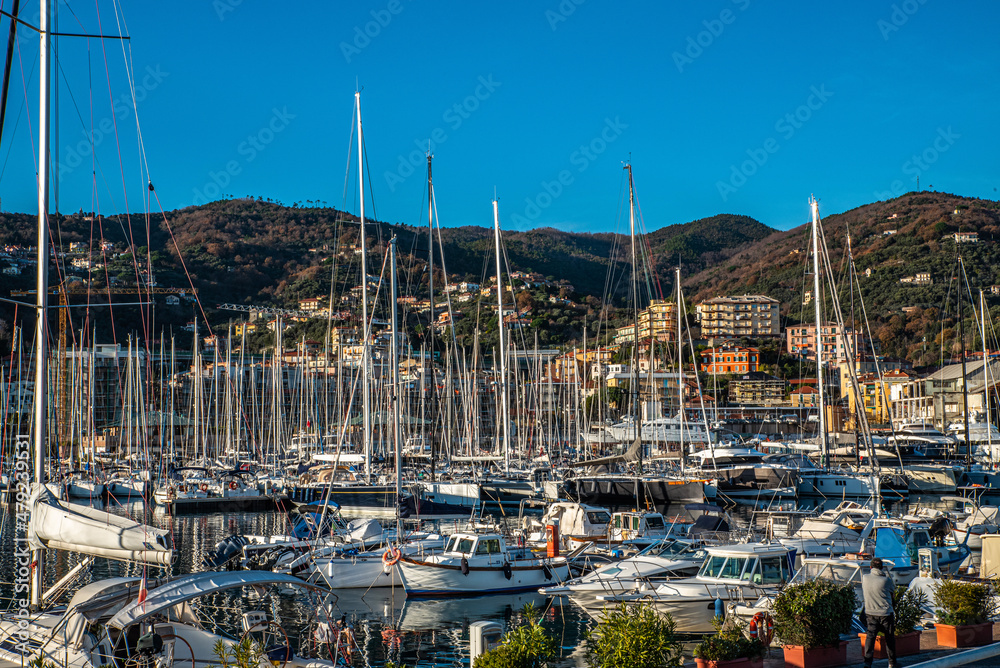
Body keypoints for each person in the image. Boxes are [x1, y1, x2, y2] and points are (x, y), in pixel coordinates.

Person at [862, 557, 898, 668]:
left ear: (870, 567)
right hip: (886, 613)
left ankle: (867, 663)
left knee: (870, 638)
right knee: (889, 638)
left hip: (870, 613)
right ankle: (891, 663)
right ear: (882, 567)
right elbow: (893, 594)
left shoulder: (865, 578)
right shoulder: (886, 580)